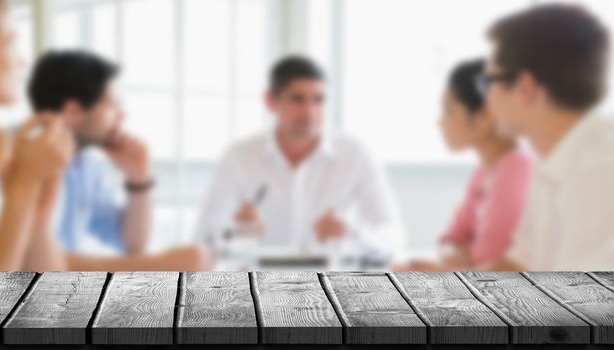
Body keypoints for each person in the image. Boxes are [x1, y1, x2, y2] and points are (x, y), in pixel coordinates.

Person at [0, 0, 209, 271]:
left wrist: (37, 215)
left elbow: (45, 281)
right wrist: (24, 186)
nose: (22, 62)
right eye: (11, 42)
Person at [196, 55, 404, 262]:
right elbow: (204, 236)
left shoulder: (356, 153)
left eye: (319, 100)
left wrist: (351, 235)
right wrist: (235, 232)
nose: (310, 112)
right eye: (297, 99)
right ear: (270, 101)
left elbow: (393, 236)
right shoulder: (238, 156)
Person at [27, 50, 210, 270]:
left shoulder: (84, 164)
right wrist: (156, 266)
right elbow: (32, 261)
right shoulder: (23, 158)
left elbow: (131, 244)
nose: (122, 117)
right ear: (73, 111)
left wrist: (138, 178)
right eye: (113, 106)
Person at [481, 4, 614, 271]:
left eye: (490, 80)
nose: (487, 96)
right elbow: (519, 263)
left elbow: (578, 303)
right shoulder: (555, 160)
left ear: (524, 87)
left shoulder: (599, 169)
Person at [392, 59, 532, 272]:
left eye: (449, 110)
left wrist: (440, 271)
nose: (440, 122)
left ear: (485, 115)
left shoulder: (516, 173)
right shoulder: (486, 170)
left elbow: (494, 272)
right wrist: (460, 259)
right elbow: (451, 239)